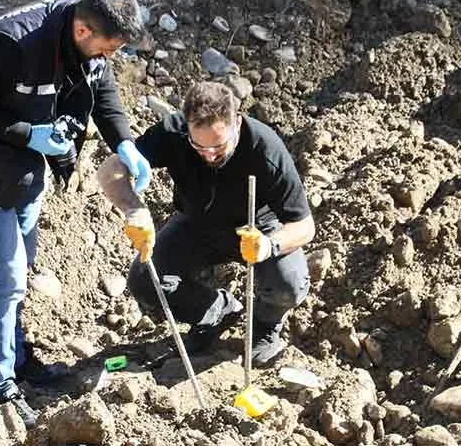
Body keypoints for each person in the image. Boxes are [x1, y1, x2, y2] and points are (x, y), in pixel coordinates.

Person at [0, 0, 152, 427]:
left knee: (22, 264)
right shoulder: (11, 42)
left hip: (24, 164)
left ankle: (16, 354)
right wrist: (27, 132)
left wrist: (124, 141)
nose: (109, 55)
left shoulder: (87, 41)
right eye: (108, 47)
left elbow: (101, 84)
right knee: (6, 275)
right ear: (83, 29)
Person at [97, 81, 314, 368]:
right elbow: (110, 169)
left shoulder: (265, 148)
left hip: (257, 228)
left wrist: (268, 245)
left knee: (289, 284)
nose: (209, 155)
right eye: (199, 146)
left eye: (219, 146)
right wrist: (133, 210)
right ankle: (218, 312)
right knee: (144, 278)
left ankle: (264, 326)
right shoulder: (173, 132)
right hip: (197, 223)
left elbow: (305, 226)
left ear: (236, 122)